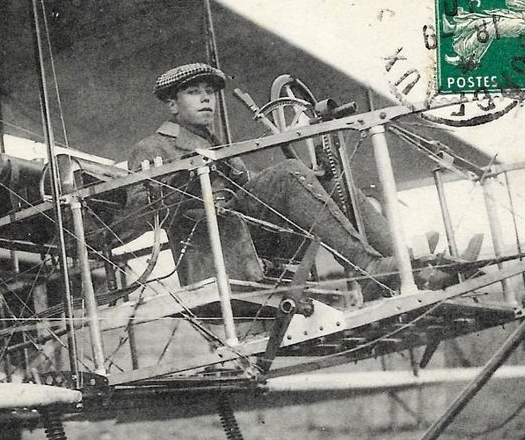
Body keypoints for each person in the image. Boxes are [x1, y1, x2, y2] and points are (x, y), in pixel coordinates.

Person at [117, 62, 452, 295]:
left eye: (209, 91)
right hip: (214, 247)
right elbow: (142, 216)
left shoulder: (212, 142)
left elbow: (245, 192)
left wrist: (311, 182)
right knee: (289, 173)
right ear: (172, 105)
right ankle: (367, 268)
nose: (206, 98)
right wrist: (185, 187)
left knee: (330, 181)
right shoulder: (152, 147)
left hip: (249, 233)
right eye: (194, 92)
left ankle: (410, 265)